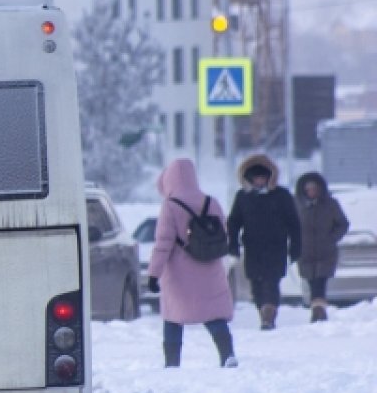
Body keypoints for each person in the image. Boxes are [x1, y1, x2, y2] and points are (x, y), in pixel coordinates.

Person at [146, 158, 238, 368]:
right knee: (214, 314)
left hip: (179, 272)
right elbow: (223, 233)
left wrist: (153, 274)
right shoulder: (211, 202)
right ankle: (227, 354)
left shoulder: (170, 206)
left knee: (173, 317)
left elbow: (163, 243)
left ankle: (172, 363)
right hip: (210, 266)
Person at [227, 154, 301, 330]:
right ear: (249, 178)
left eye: (263, 177)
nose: (260, 181)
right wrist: (233, 246)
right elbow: (234, 222)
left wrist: (296, 247)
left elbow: (294, 223)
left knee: (271, 281)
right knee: (256, 284)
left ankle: (269, 312)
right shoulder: (243, 197)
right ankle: (263, 310)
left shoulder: (281, 195)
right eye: (256, 178)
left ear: (270, 177)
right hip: (253, 248)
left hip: (277, 248)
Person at [294, 171, 350, 322]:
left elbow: (342, 224)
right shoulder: (297, 205)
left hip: (325, 252)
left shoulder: (330, 204)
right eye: (309, 189)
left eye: (314, 189)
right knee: (312, 282)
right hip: (305, 252)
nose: (312, 192)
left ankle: (318, 310)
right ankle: (317, 308)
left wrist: (332, 238)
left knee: (320, 281)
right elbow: (288, 225)